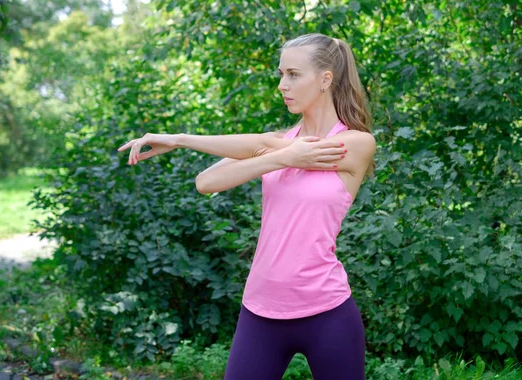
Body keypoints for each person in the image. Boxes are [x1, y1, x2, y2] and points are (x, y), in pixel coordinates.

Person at [117, 33, 376, 379]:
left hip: (327, 311)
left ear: (326, 79)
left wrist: (276, 154)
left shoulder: (356, 143)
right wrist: (178, 140)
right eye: (281, 74)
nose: (282, 85)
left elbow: (266, 146)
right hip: (261, 310)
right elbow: (205, 183)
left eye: (294, 74)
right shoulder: (281, 145)